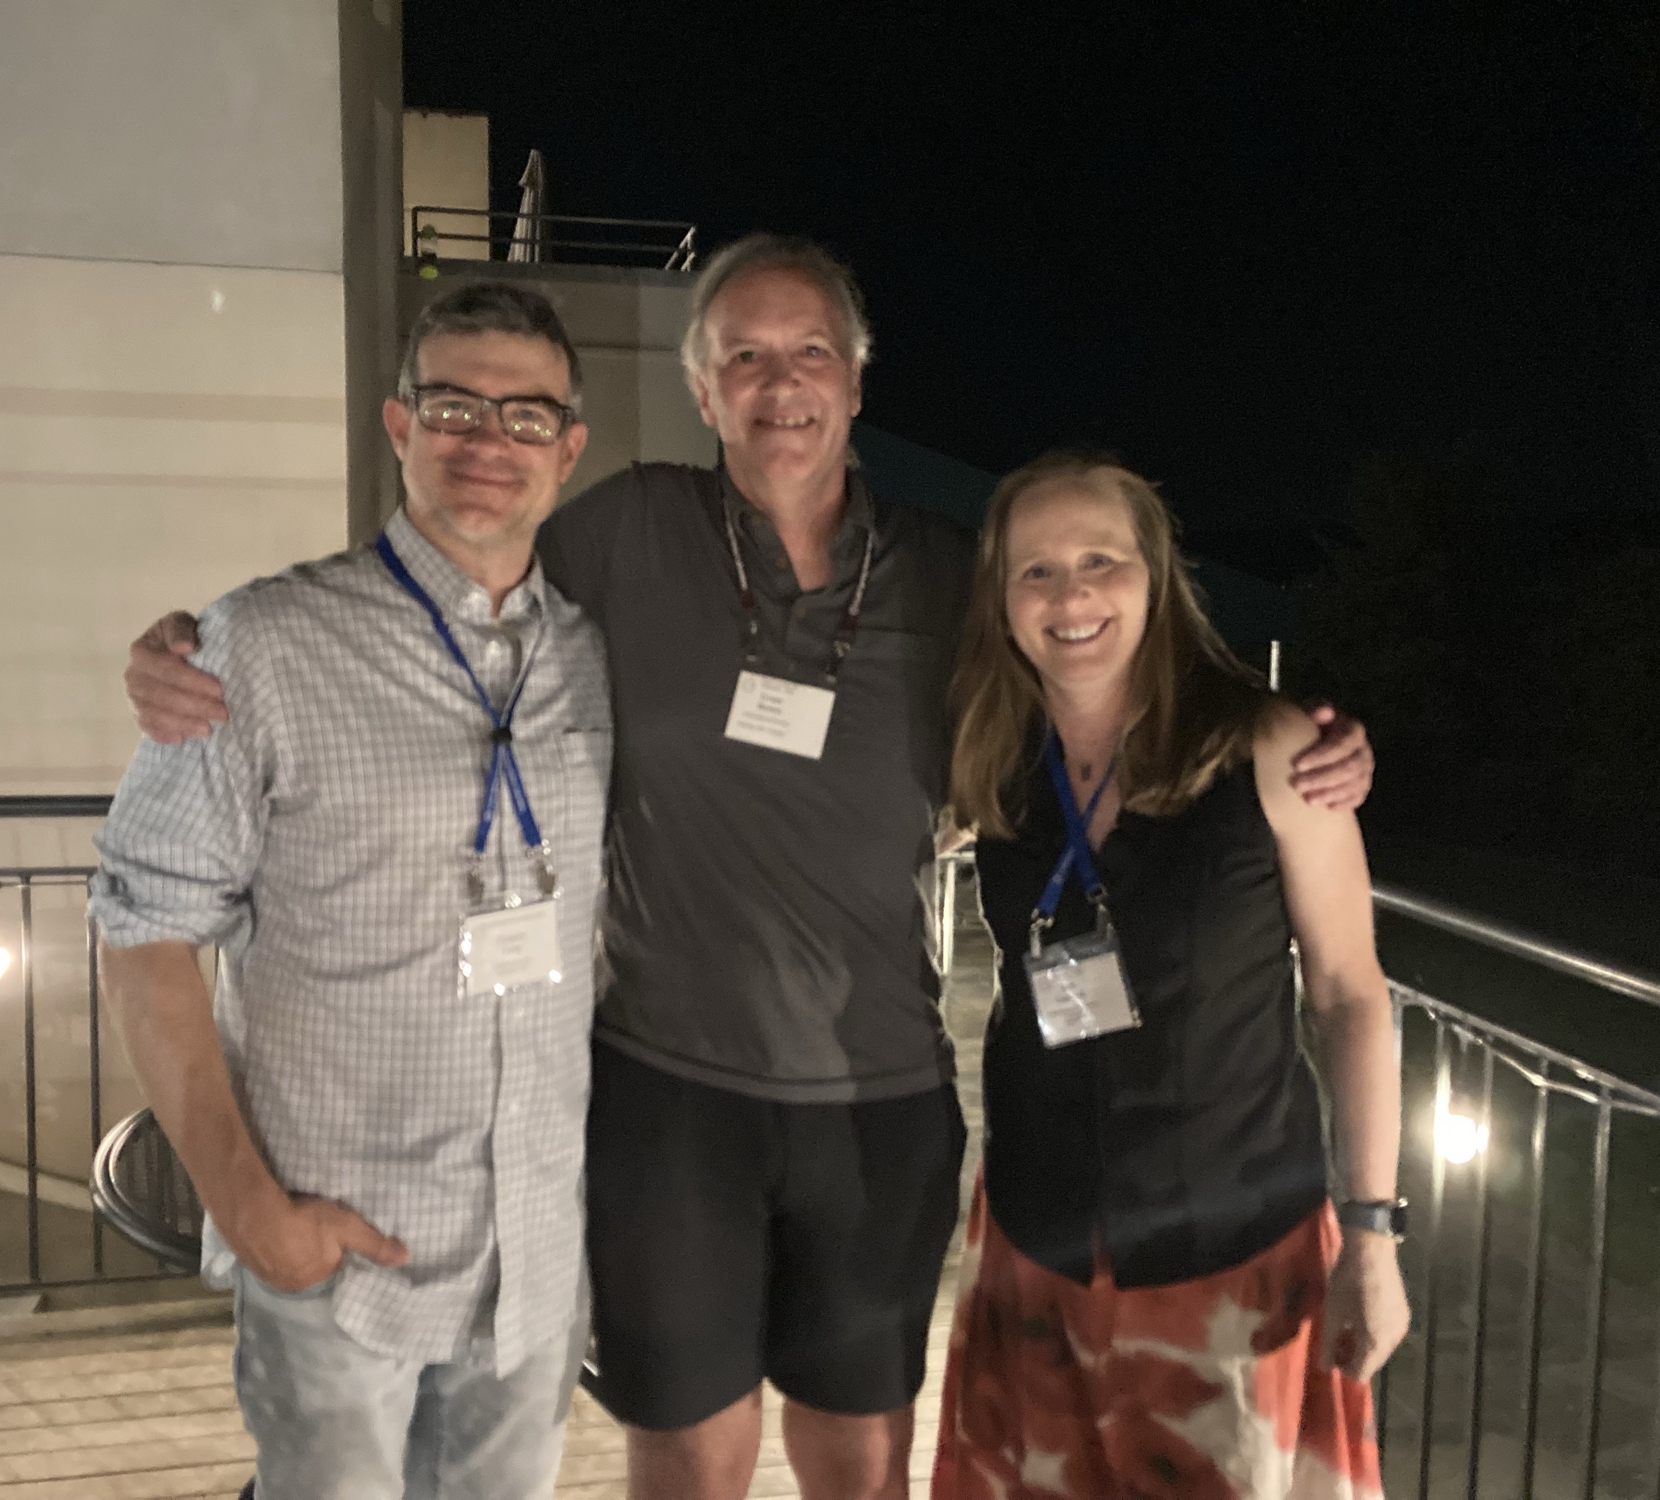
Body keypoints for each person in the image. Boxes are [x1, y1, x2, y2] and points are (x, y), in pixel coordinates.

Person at [123, 238, 1381, 1500]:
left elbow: (1092, 674)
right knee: (686, 1459)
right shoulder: (624, 529)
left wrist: (1298, 743)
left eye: (810, 352)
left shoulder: (949, 571)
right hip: (666, 1092)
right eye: (743, 357)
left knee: (861, 1463)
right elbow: (455, 572)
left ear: (856, 381)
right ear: (701, 388)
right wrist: (194, 652)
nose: (779, 383)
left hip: (879, 1095)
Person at [89, 281, 610, 1500]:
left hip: (532, 1251)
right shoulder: (260, 645)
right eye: (452, 405)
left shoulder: (596, 656)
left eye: (526, 416)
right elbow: (141, 932)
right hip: (337, 1251)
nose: (487, 440)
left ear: (568, 449)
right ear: (398, 423)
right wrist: (251, 1215)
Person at [933, 453, 1408, 1499]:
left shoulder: (1272, 750)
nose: (1070, 597)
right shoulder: (989, 754)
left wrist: (1372, 1233)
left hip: (1233, 1258)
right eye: (1035, 571)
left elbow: (1348, 994)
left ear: (1155, 575)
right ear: (1001, 599)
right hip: (1038, 1239)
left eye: (1099, 561)